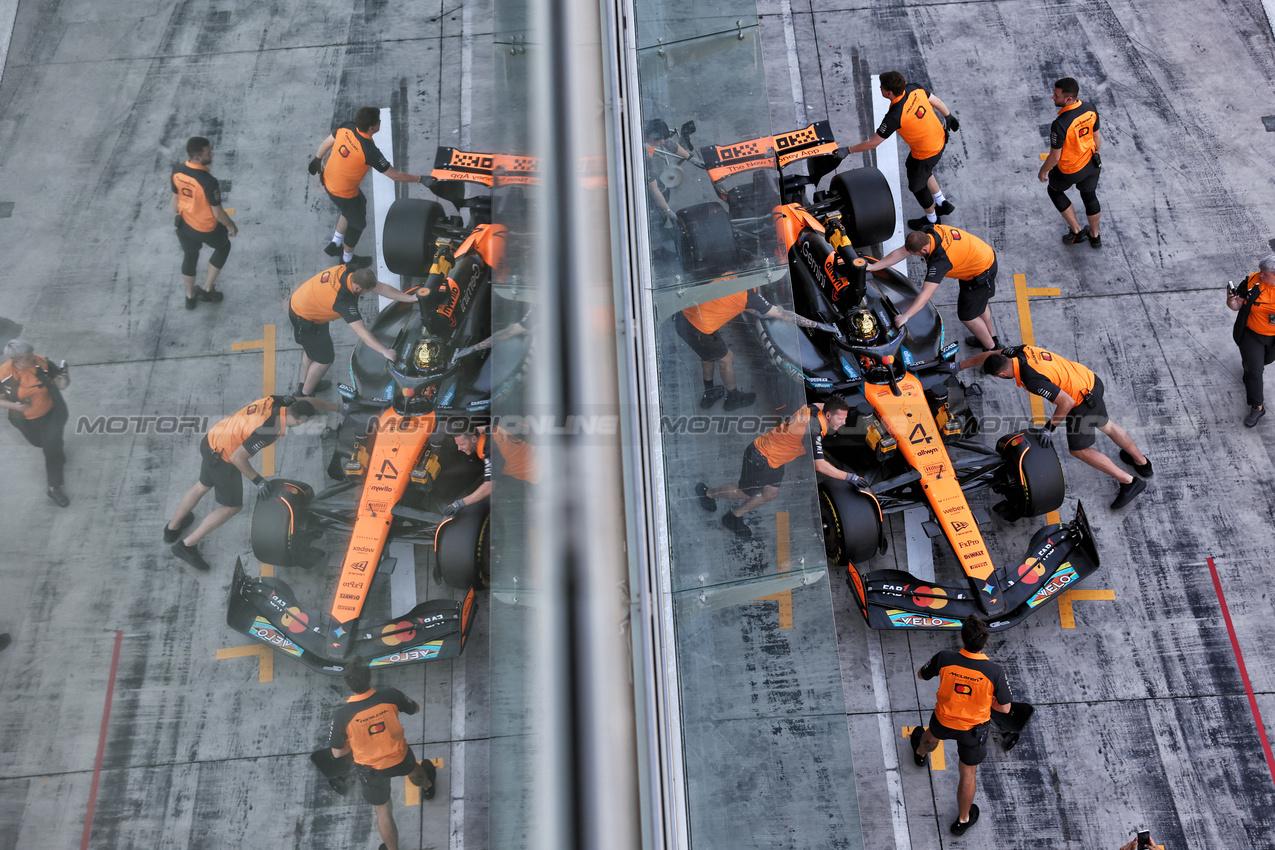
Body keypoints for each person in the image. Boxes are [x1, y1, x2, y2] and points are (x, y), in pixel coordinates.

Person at [960, 345, 1152, 509]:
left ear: (1001, 375)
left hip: (1081, 401)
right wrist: (958, 366)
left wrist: (1048, 428)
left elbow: (1066, 403)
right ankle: (1142, 463)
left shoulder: (1031, 379)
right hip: (1089, 380)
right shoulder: (1020, 351)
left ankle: (1129, 482)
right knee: (1106, 425)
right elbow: (990, 354)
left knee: (1079, 450)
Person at [164, 395, 334, 570]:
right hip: (224, 458)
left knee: (203, 485)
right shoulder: (270, 429)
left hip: (213, 439)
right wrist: (258, 481)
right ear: (297, 421)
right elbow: (238, 458)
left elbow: (307, 400)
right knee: (232, 507)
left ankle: (172, 529)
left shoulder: (278, 401)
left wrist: (336, 407)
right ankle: (187, 545)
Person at [696, 397, 862, 540]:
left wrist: (836, 407)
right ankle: (707, 493)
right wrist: (850, 477)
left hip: (775, 460)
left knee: (770, 493)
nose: (844, 422)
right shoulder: (813, 429)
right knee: (745, 492)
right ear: (827, 415)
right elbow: (819, 465)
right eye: (840, 419)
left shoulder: (815, 409)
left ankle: (734, 517)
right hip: (760, 457)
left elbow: (824, 405)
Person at [909, 616, 1011, 836]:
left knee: (931, 735)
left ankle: (919, 755)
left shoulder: (945, 658)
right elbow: (1004, 709)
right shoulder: (995, 672)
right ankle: (963, 820)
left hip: (944, 719)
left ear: (962, 638)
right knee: (967, 773)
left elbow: (921, 674)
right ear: (984, 643)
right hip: (974, 731)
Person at [326, 659, 436, 850]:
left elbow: (337, 753)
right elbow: (415, 708)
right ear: (371, 677)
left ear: (349, 684)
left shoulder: (342, 715)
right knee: (413, 770)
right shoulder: (390, 695)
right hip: (399, 756)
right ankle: (428, 787)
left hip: (370, 770)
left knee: (383, 811)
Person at [673, 288, 841, 409]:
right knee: (726, 358)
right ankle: (733, 397)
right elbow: (782, 314)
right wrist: (818, 325)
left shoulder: (730, 277)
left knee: (707, 355)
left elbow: (747, 307)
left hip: (686, 317)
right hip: (700, 329)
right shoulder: (748, 296)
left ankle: (709, 392)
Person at [310, 107, 425, 269]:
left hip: (329, 180)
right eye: (378, 122)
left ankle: (336, 242)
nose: (380, 123)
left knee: (356, 204)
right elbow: (395, 176)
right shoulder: (369, 151)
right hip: (343, 193)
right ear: (372, 128)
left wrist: (316, 160)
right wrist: (420, 179)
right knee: (357, 225)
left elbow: (326, 143)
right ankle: (347, 260)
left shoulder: (347, 127)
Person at [289, 265, 427, 396]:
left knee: (311, 349)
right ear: (357, 287)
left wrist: (410, 298)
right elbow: (362, 333)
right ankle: (305, 394)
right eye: (366, 291)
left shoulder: (352, 272)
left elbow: (381, 288)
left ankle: (306, 381)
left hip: (309, 305)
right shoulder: (342, 300)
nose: (368, 293)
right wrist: (384, 351)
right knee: (324, 359)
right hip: (305, 319)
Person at [846, 70, 959, 229]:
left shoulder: (895, 116)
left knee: (917, 187)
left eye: (882, 87)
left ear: (889, 92)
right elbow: (938, 101)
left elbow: (873, 143)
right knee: (917, 168)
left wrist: (849, 150)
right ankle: (941, 202)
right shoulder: (914, 88)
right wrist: (949, 116)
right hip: (940, 138)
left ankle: (932, 220)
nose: (880, 89)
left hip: (926, 153)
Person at [866, 225, 1000, 351]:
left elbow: (925, 295)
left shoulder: (940, 261)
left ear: (924, 250)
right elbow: (901, 253)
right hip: (981, 256)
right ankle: (990, 335)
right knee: (980, 303)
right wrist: (873, 267)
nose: (915, 255)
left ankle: (991, 347)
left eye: (916, 254)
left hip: (981, 272)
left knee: (968, 316)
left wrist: (905, 316)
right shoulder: (928, 231)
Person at [0, 339, 71, 506]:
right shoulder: (4, 375)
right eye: (27, 357)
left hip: (52, 413)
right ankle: (56, 449)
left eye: (31, 354)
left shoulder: (42, 362)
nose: (33, 358)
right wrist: (14, 405)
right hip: (25, 419)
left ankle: (54, 488)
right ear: (15, 361)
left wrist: (64, 376)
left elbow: (61, 385)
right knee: (40, 443)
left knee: (50, 449)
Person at [172, 136, 238, 309]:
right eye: (208, 153)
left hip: (184, 226)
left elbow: (175, 201)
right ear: (197, 158)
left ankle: (190, 297)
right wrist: (231, 225)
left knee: (190, 256)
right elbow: (217, 213)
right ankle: (207, 289)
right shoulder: (208, 182)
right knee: (224, 247)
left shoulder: (177, 170)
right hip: (206, 228)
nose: (212, 154)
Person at [1039, 77, 1103, 248]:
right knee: (1089, 196)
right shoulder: (1090, 109)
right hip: (1091, 163)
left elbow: (1055, 157)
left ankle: (1076, 231)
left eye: (1056, 95)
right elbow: (1096, 138)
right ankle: (1095, 236)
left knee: (1054, 191)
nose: (1053, 97)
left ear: (1068, 99)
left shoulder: (1060, 124)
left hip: (1070, 169)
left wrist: (1042, 171)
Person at [1226, 254, 1275, 426]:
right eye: (1261, 271)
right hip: (1251, 334)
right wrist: (1231, 301)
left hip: (1273, 338)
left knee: (1263, 362)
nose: (1260, 275)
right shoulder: (1252, 281)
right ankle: (1257, 407)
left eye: (1265, 273)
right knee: (1254, 371)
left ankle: (1251, 370)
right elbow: (1237, 305)